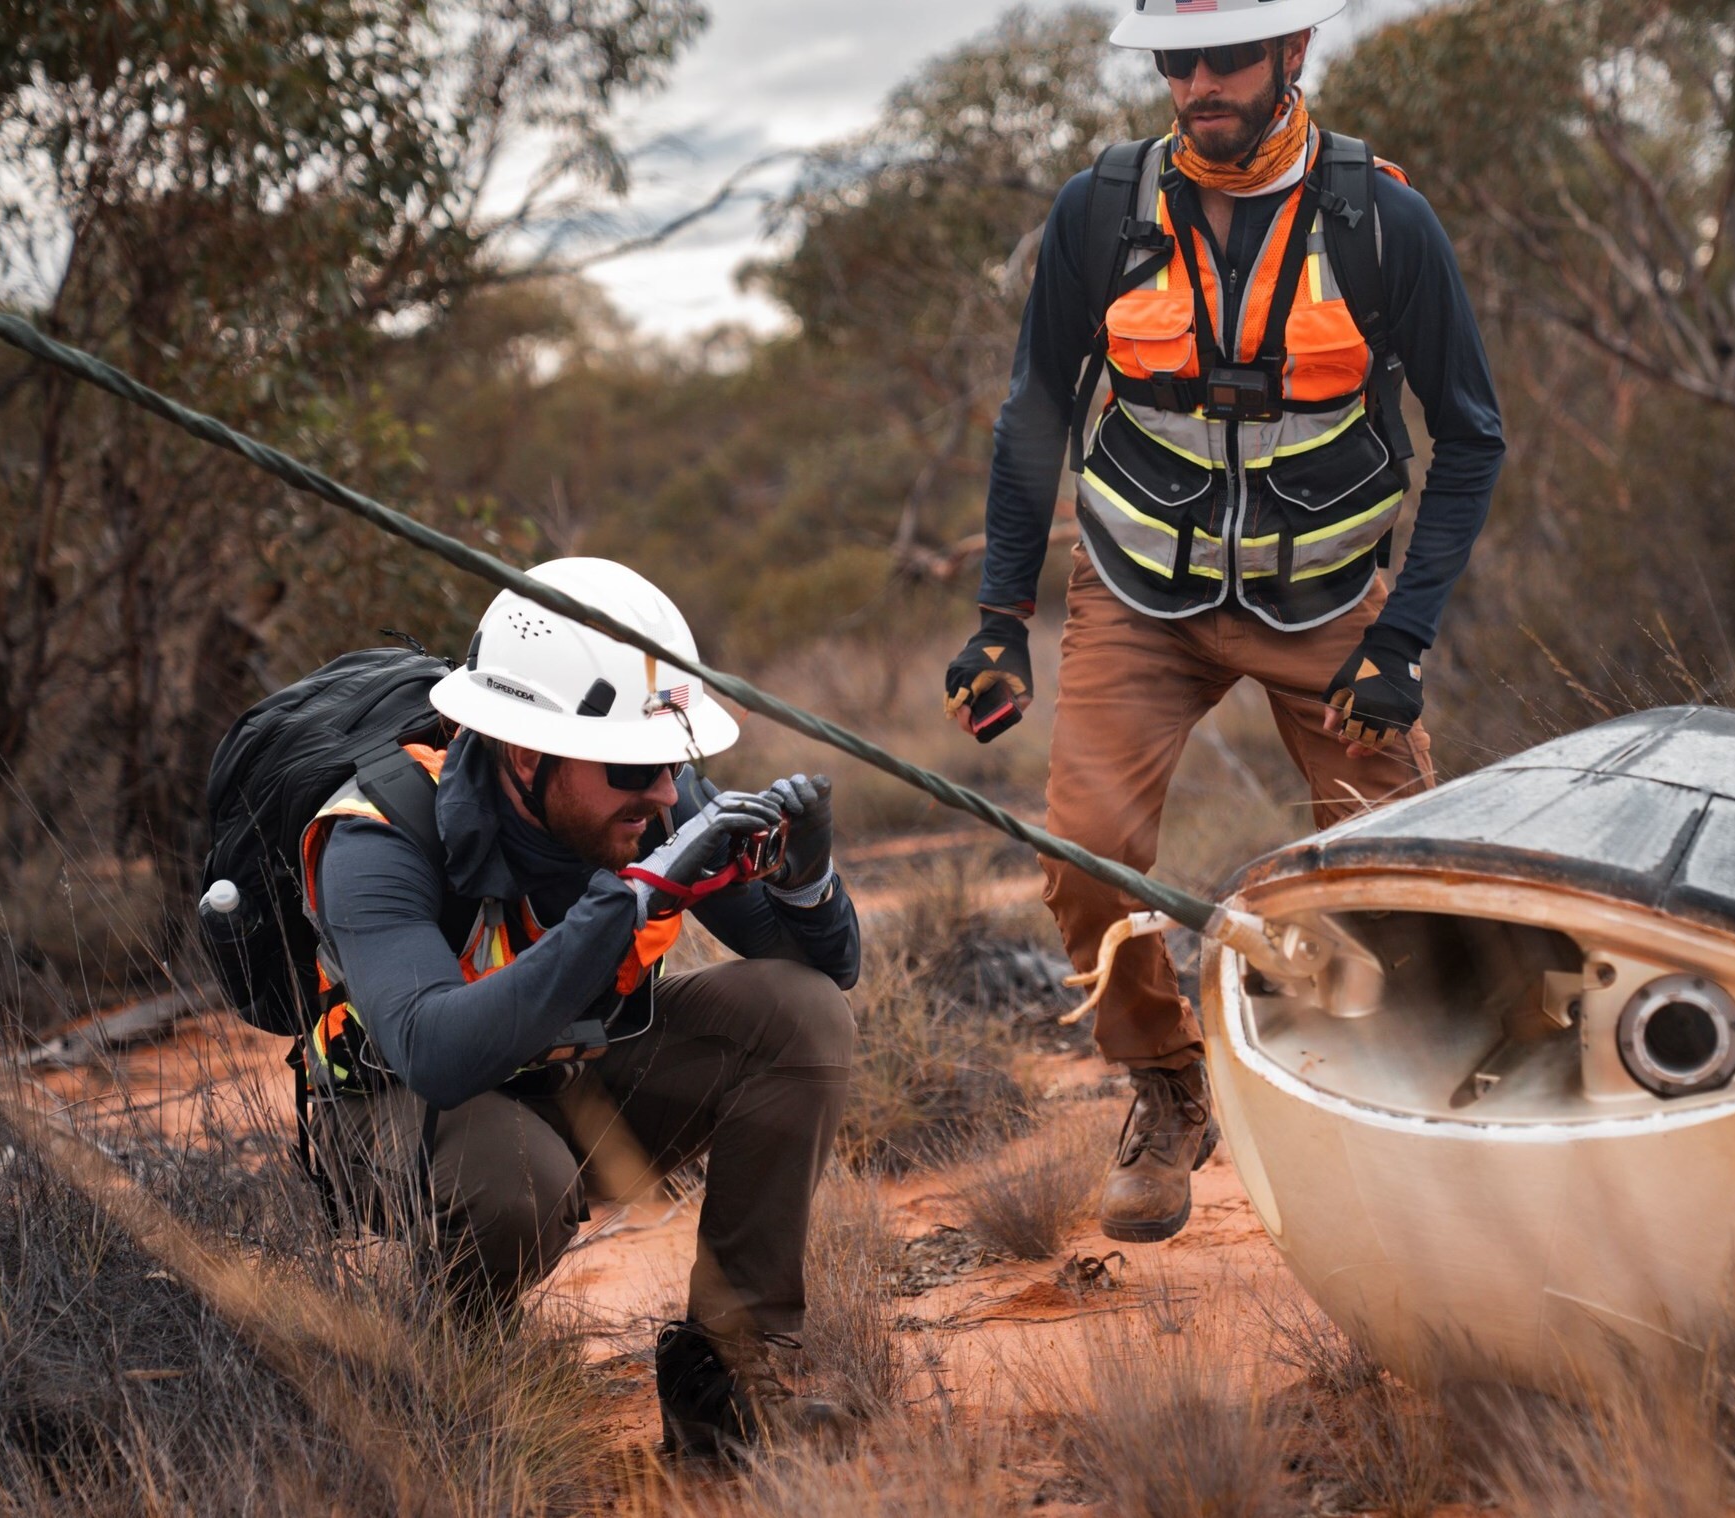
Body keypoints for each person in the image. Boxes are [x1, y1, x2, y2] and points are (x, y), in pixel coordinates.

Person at [945, 0, 1505, 1245]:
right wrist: (1000, 619)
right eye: (1178, 60)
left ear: (1293, 53)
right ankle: (1165, 1087)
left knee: (1396, 876)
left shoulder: (1380, 221)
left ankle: (1392, 1116)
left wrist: (1401, 638)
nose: (1201, 83)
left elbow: (1471, 438)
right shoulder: (1100, 212)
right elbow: (1035, 409)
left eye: (1228, 58)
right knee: (1085, 853)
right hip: (1138, 593)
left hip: (1327, 609)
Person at [297, 558, 861, 1458]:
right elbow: (435, 1052)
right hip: (399, 1107)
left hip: (567, 1074)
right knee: (518, 1184)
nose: (668, 796)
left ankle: (729, 1381)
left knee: (799, 1016)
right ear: (527, 755)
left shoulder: (653, 798)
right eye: (634, 768)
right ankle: (455, 1364)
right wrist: (636, 896)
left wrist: (808, 884)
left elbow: (825, 972)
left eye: (673, 764)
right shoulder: (377, 832)